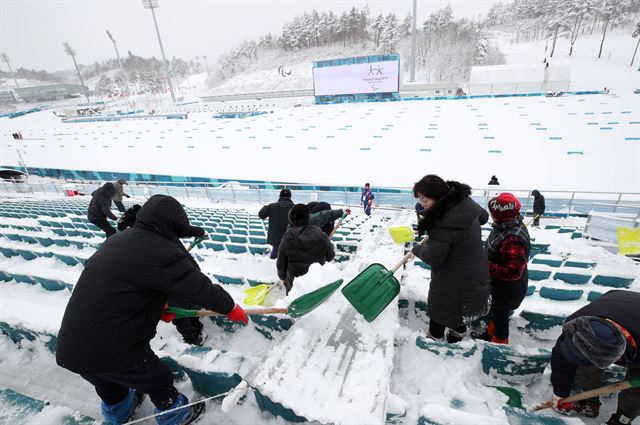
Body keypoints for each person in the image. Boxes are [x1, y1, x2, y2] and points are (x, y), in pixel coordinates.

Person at [56, 195, 248, 425]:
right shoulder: (163, 252)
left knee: (107, 383)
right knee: (157, 378)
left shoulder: (117, 240)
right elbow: (199, 288)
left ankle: (117, 411)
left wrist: (159, 308)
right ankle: (175, 414)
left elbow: (122, 289)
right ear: (173, 224)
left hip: (71, 346)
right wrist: (230, 307)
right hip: (114, 347)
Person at [412, 175, 490, 343]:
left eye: (425, 200)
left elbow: (434, 258)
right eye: (420, 200)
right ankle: (458, 333)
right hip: (473, 270)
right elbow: (483, 217)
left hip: (453, 277)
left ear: (438, 196)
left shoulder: (441, 223)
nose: (422, 204)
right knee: (455, 309)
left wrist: (416, 248)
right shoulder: (465, 202)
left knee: (441, 308)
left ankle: (434, 338)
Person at [549, 290, 639, 425]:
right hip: (616, 303)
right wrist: (560, 394)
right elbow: (560, 359)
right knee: (587, 361)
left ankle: (622, 419)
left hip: (634, 327)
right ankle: (590, 399)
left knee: (637, 389)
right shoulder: (575, 326)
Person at [475, 193, 530, 344]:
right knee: (497, 313)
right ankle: (489, 334)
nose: (491, 217)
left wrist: (484, 265)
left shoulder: (513, 238)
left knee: (501, 317)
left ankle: (499, 343)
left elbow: (512, 272)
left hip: (508, 290)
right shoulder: (505, 226)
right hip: (499, 286)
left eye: (493, 214)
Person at [276, 204, 335, 294]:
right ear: (308, 217)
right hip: (316, 280)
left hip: (294, 282)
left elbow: (281, 263)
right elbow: (330, 256)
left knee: (294, 302)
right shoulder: (322, 235)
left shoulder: (286, 238)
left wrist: (283, 277)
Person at [258, 188, 294, 259]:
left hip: (275, 237)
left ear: (280, 196)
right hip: (289, 237)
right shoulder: (294, 207)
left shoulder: (272, 206)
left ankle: (272, 266)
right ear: (290, 197)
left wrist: (266, 207)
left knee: (275, 253)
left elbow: (261, 215)